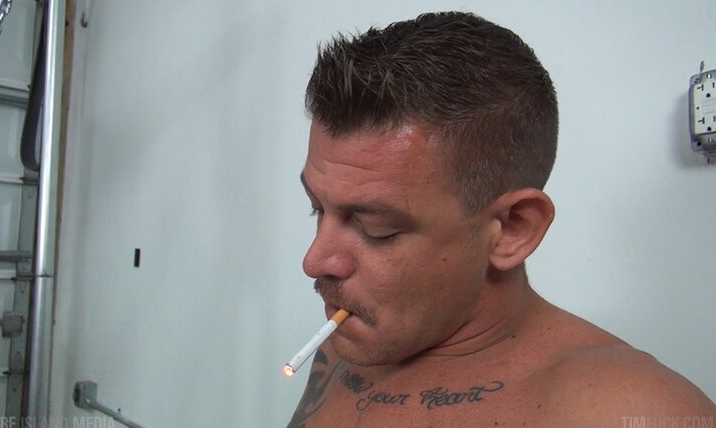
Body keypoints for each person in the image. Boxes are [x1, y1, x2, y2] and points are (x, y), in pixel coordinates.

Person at [288, 11, 716, 428]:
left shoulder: (635, 411)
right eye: (317, 207)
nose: (314, 260)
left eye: (376, 229)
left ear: (513, 229)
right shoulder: (342, 349)